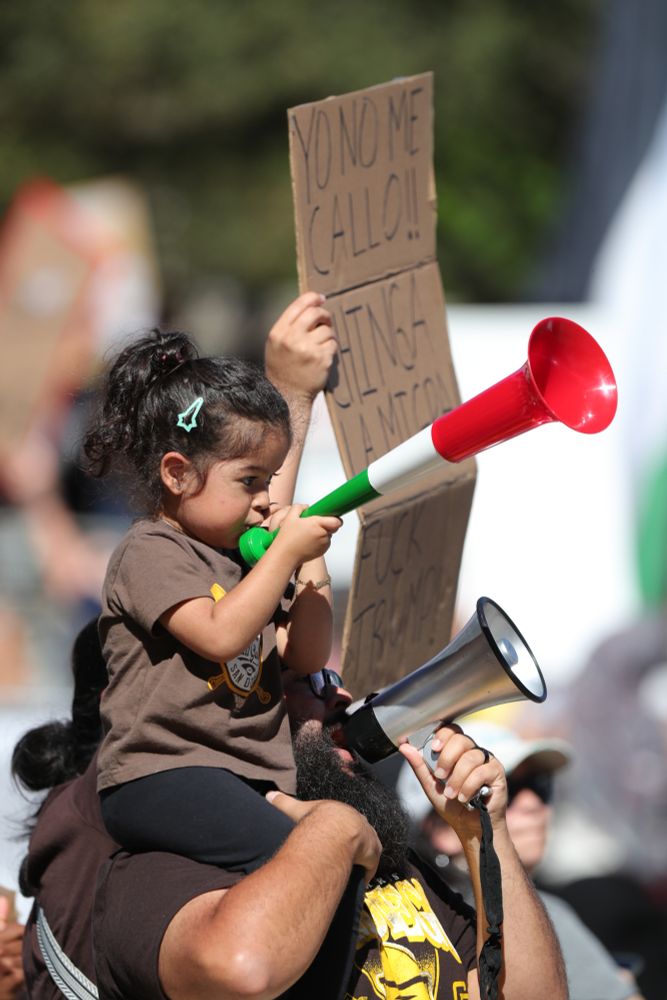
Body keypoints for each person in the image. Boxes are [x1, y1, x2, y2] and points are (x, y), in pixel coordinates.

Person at [15, 638, 567, 1000]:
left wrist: (483, 838)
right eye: (306, 682)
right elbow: (242, 966)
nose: (341, 696)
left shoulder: (378, 842)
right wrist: (334, 831)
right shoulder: (160, 861)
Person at [80, 291, 343, 875]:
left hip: (246, 774)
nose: (265, 500)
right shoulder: (149, 550)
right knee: (309, 867)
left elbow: (303, 652)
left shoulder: (243, 562)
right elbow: (221, 635)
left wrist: (310, 565)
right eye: (250, 480)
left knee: (345, 858)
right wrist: (283, 558)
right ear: (177, 472)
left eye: (271, 479)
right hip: (165, 774)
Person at [398, 721, 645, 1000]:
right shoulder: (548, 919)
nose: (533, 803)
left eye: (539, 785)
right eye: (508, 789)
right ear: (441, 829)